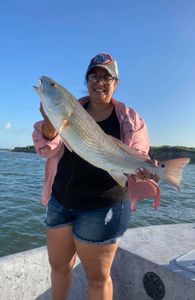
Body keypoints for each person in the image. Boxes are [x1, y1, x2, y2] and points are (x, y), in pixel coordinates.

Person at [33, 52, 159, 300]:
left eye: (106, 77)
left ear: (116, 82)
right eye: (93, 75)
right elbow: (45, 149)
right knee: (58, 267)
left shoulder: (130, 119)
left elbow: (139, 156)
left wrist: (146, 170)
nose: (99, 81)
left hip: (104, 206)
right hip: (61, 200)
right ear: (86, 79)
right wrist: (50, 122)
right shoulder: (69, 110)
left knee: (97, 277)